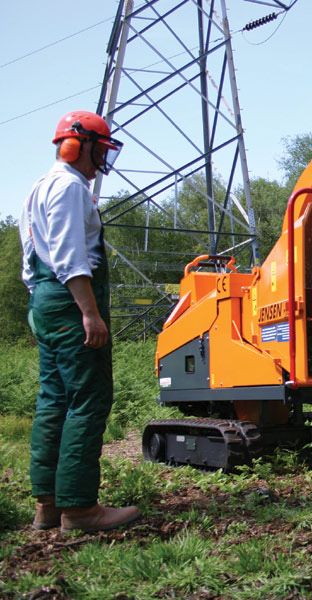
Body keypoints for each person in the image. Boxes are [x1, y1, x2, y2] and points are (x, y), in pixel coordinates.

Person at [20, 110, 140, 533]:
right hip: (71, 303)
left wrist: (47, 309)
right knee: (89, 400)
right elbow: (71, 257)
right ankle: (81, 508)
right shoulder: (70, 188)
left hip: (45, 302)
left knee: (53, 400)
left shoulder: (38, 186)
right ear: (78, 145)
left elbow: (31, 262)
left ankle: (48, 504)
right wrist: (89, 312)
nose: (100, 161)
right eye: (99, 151)